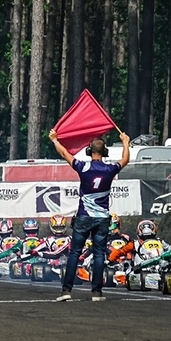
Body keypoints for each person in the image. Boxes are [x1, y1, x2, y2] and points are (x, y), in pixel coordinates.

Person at [48, 127, 131, 301]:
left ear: (89, 151)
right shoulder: (110, 169)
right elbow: (125, 159)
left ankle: (66, 291)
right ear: (105, 152)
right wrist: (125, 142)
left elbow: (64, 154)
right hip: (102, 218)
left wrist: (55, 140)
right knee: (99, 253)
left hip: (84, 216)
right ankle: (97, 292)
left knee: (75, 253)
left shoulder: (83, 167)